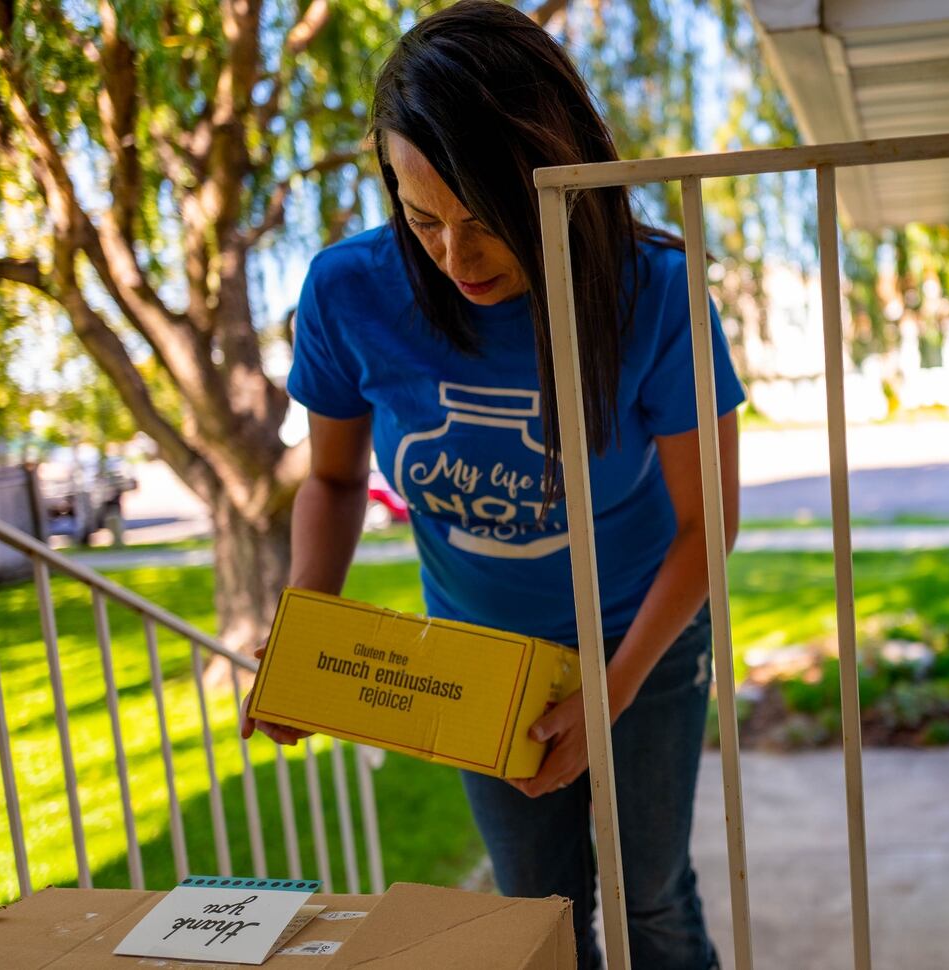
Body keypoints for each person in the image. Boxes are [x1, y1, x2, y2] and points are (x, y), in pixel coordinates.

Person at [242, 2, 743, 967]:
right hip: (481, 664)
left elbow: (705, 523)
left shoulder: (655, 292)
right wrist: (305, 642)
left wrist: (610, 688)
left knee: (653, 907)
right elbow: (337, 482)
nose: (456, 259)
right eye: (422, 218)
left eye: (487, 221)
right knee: (536, 915)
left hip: (644, 637)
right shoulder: (346, 291)